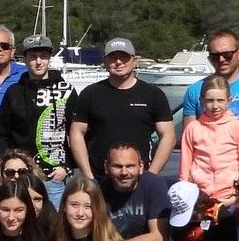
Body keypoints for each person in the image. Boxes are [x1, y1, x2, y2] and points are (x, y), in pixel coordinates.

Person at [68, 37, 175, 178]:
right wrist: (88, 176)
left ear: (134, 61)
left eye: (124, 57)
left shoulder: (153, 94)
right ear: (105, 62)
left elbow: (168, 136)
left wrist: (151, 176)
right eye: (113, 57)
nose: (118, 62)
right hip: (99, 179)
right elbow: (76, 133)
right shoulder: (90, 94)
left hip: (139, 179)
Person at [0, 33, 74, 205]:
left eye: (43, 56)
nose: (38, 61)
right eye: (33, 56)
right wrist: (6, 167)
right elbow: (2, 133)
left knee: (54, 221)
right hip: (20, 175)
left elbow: (76, 133)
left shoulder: (66, 91)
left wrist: (67, 167)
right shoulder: (14, 92)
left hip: (54, 177)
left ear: (50, 58)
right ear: (25, 59)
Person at [180, 28, 239, 163]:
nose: (221, 59)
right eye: (215, 56)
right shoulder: (195, 90)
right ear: (209, 58)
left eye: (227, 54)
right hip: (205, 169)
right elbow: (189, 139)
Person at [180, 75, 239, 201]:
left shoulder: (238, 127)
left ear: (229, 100)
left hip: (230, 196)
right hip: (199, 196)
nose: (215, 106)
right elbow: (185, 165)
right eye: (210, 100)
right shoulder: (192, 128)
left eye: (220, 100)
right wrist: (184, 190)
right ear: (202, 101)